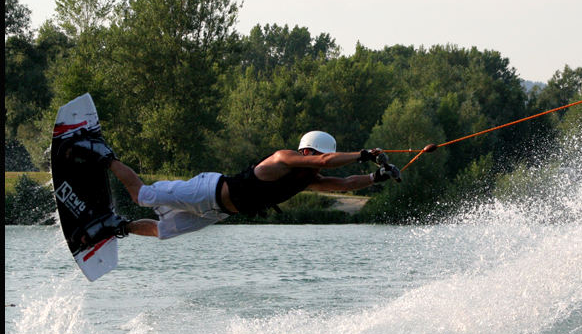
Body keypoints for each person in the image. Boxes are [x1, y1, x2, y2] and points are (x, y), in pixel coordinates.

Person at [63, 131, 399, 244]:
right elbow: (327, 164)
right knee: (141, 195)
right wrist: (365, 155)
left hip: (217, 212)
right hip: (208, 190)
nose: (319, 159)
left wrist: (374, 178)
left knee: (162, 232)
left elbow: (343, 184)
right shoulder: (284, 158)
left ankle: (115, 227)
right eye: (318, 154)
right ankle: (100, 154)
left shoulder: (306, 179)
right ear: (309, 151)